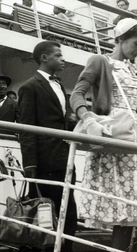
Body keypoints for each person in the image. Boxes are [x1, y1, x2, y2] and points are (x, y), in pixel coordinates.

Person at [70, 18, 137, 251]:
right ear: (120, 39)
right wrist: (88, 119)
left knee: (133, 210)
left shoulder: (134, 68)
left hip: (134, 138)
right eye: (136, 44)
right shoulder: (102, 61)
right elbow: (77, 95)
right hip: (116, 138)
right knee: (125, 209)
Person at [18, 41, 77, 252]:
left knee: (69, 215)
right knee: (45, 217)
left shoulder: (60, 86)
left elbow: (62, 121)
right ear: (44, 58)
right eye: (58, 55)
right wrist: (30, 164)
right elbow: (26, 127)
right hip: (44, 161)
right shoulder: (29, 87)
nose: (63, 59)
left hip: (64, 158)